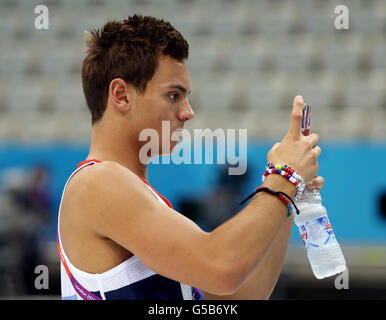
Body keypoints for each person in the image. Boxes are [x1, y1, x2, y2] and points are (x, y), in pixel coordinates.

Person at [57, 14, 324, 300]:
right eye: (173, 95)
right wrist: (282, 179)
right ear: (121, 95)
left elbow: (244, 294)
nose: (188, 112)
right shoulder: (97, 183)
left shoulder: (139, 198)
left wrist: (288, 195)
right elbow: (222, 268)